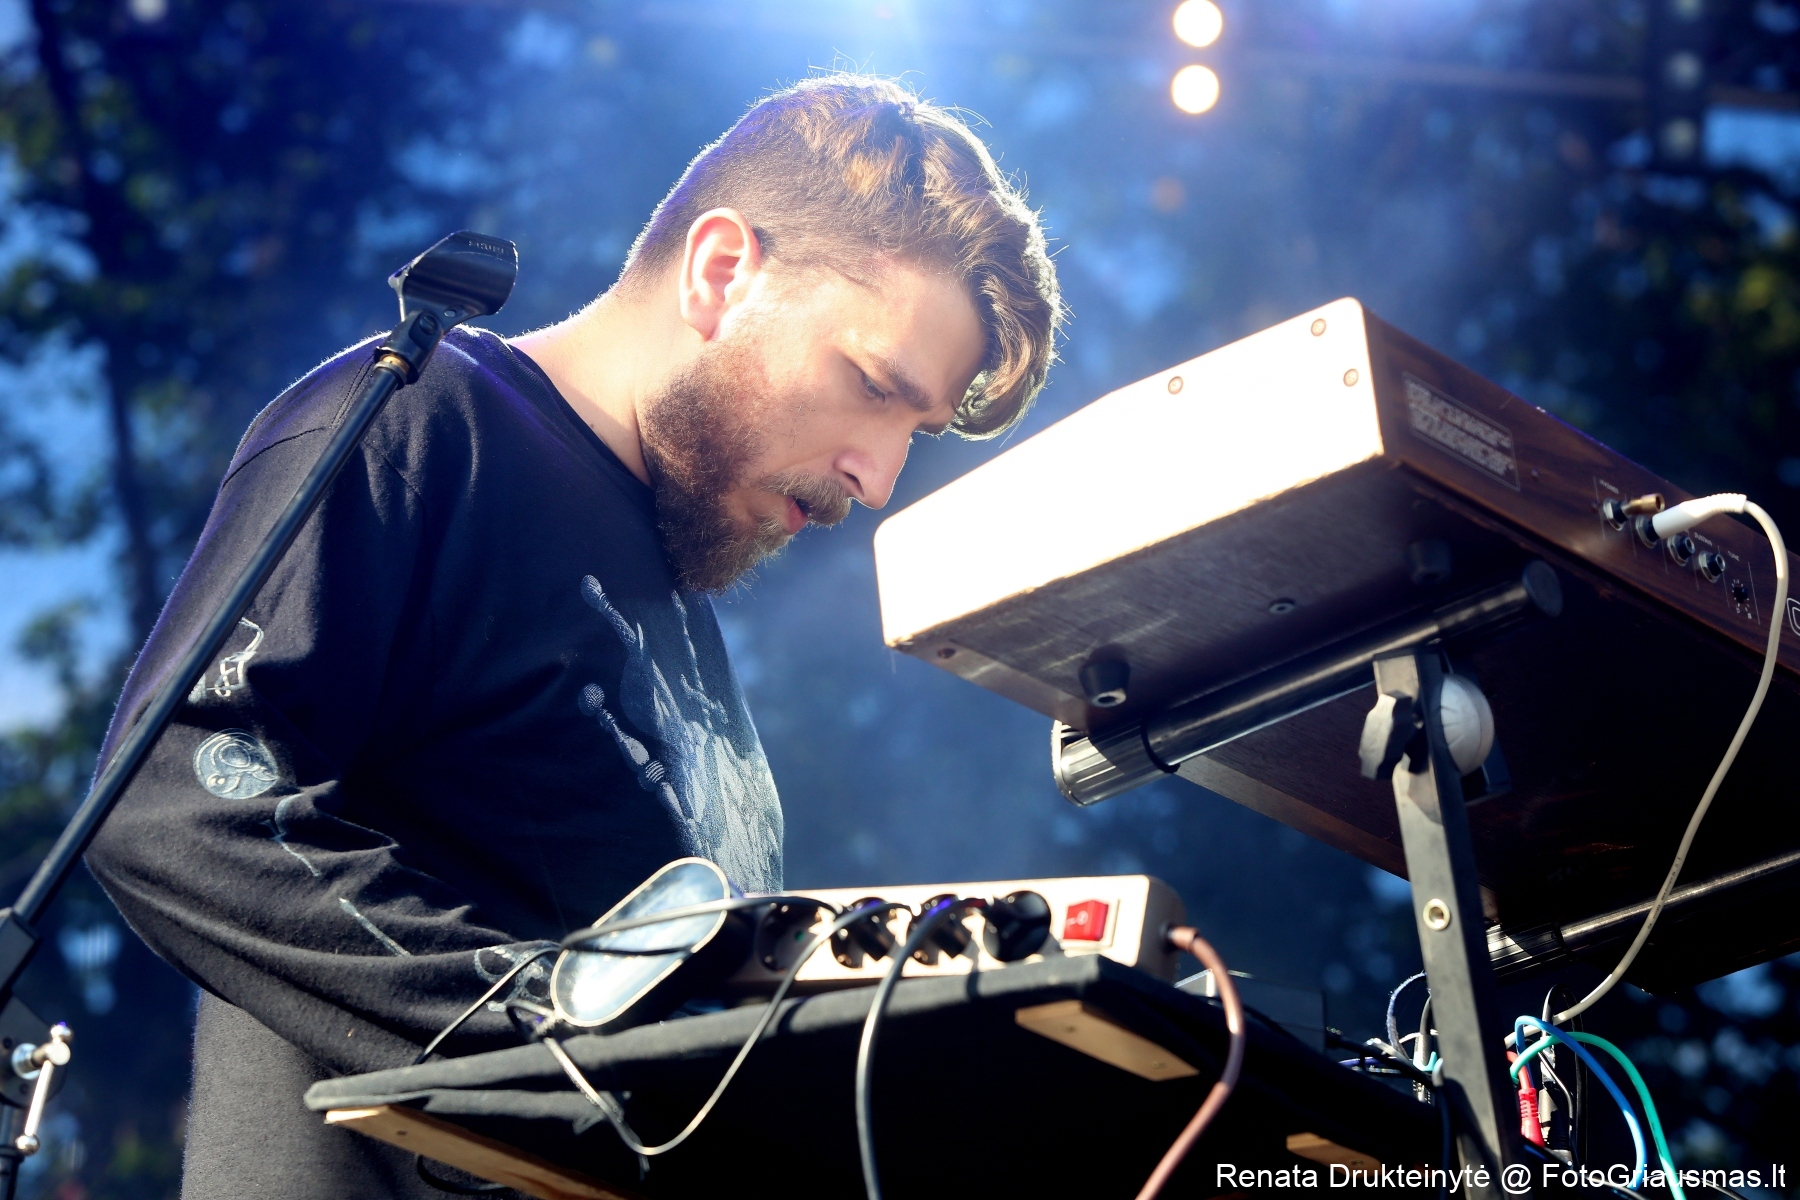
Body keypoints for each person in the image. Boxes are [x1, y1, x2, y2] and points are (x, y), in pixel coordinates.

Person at [84, 73, 1060, 1199]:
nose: (879, 477)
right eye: (872, 385)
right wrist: (562, 1038)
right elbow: (175, 801)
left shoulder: (684, 607)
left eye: (915, 431)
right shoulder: (421, 423)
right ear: (722, 271)